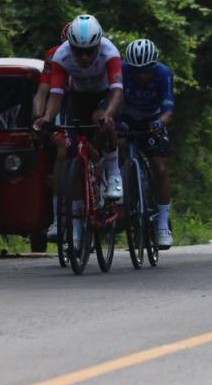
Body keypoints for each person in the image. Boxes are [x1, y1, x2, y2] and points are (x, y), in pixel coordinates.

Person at [34, 14, 125, 248]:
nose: (84, 57)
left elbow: (117, 91)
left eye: (89, 51)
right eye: (79, 51)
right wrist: (46, 118)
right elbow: (55, 95)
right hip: (78, 98)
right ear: (70, 47)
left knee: (101, 120)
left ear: (98, 45)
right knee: (74, 156)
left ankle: (113, 172)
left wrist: (108, 114)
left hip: (105, 95)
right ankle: (75, 230)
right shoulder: (62, 56)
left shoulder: (110, 52)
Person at [119, 38, 175, 248]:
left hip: (153, 121)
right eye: (136, 71)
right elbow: (111, 97)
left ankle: (162, 225)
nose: (142, 75)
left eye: (146, 71)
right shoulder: (121, 71)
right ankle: (123, 183)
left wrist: (161, 123)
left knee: (159, 168)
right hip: (126, 119)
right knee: (118, 144)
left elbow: (168, 109)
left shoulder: (163, 73)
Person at [33, 22, 72, 242]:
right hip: (62, 103)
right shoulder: (55, 56)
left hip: (87, 99)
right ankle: (58, 217)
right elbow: (44, 89)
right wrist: (39, 116)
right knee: (61, 148)